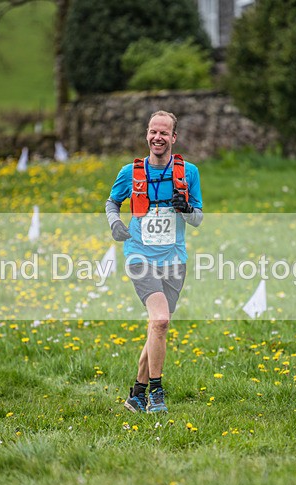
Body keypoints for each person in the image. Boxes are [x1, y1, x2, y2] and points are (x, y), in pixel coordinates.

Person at [105, 110, 203, 413]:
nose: (157, 138)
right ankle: (156, 392)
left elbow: (198, 218)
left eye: (164, 133)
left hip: (175, 260)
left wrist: (185, 208)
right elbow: (112, 202)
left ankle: (136, 394)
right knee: (160, 320)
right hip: (140, 256)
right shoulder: (129, 172)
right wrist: (115, 224)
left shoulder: (189, 172)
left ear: (173, 138)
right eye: (152, 132)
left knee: (157, 327)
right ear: (147, 135)